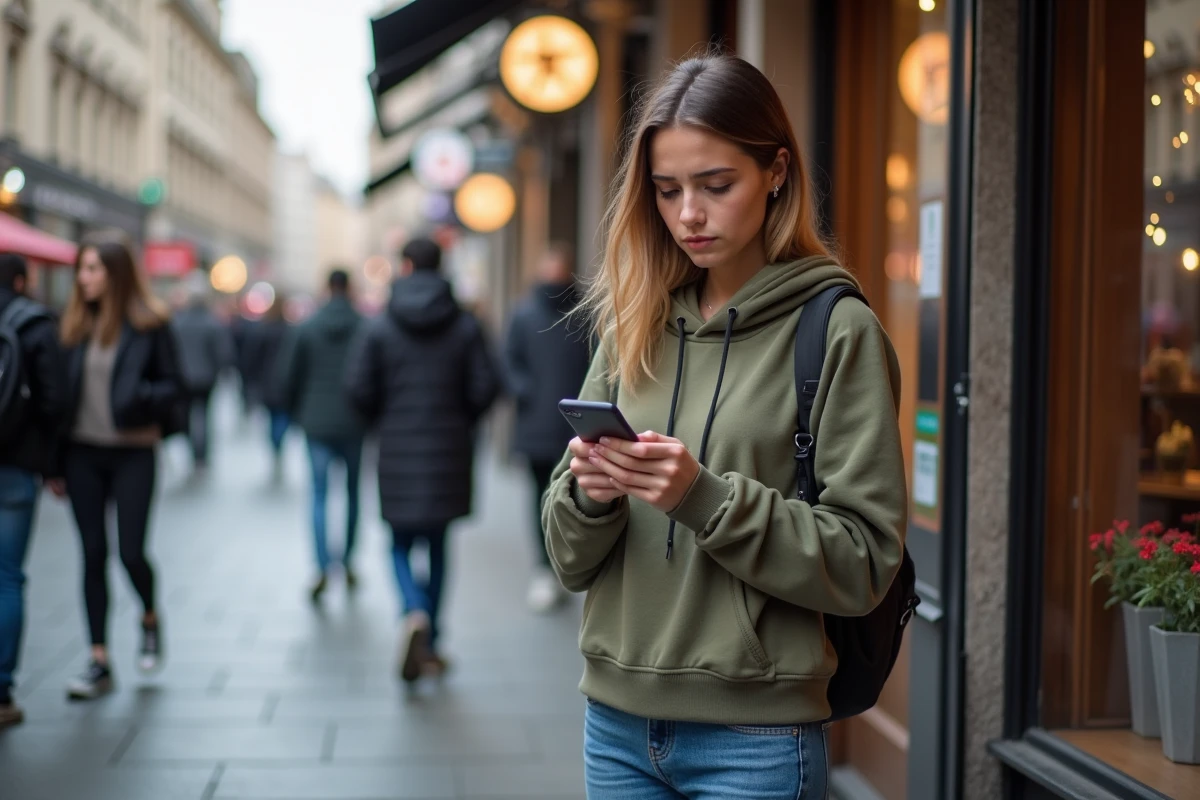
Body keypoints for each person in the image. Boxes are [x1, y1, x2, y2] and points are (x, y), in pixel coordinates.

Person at [541, 54, 907, 798]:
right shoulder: (633, 323)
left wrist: (702, 498)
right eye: (667, 190)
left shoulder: (836, 330)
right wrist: (590, 495)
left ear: (776, 172)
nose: (688, 215)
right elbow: (567, 560)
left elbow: (865, 561)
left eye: (715, 185)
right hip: (614, 726)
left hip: (756, 739)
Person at [345, 237, 501, 683]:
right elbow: (486, 386)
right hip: (449, 449)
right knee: (438, 544)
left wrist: (383, 420)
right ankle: (431, 639)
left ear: (407, 266)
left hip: (397, 448)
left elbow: (357, 388)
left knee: (398, 542)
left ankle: (413, 610)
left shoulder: (381, 325)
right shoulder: (464, 325)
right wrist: (461, 420)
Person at [58, 231, 185, 700]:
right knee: (93, 553)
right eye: (81, 269)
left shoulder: (150, 324)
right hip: (82, 453)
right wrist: (51, 463)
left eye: (92, 269)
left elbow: (174, 386)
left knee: (131, 552)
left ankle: (149, 616)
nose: (83, 278)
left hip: (134, 451)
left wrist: (140, 398)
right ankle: (99, 660)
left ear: (116, 274)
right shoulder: (73, 326)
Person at [504, 244, 590, 613]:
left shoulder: (585, 314)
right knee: (540, 498)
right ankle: (545, 567)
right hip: (538, 424)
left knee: (579, 498)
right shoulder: (524, 315)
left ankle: (566, 566)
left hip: (577, 427)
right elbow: (509, 362)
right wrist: (526, 392)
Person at [0, 254, 67, 727]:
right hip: (16, 465)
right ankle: (1, 692)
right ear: (22, 282)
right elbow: (55, 401)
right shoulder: (36, 325)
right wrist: (51, 464)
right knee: (7, 577)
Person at [276, 269, 365, 601]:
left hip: (316, 423)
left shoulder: (307, 326)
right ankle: (348, 560)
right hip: (354, 422)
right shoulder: (365, 326)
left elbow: (288, 376)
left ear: (327, 288)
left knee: (318, 495)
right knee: (353, 493)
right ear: (349, 287)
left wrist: (297, 414)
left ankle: (322, 565)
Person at [171, 278, 235, 471]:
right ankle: (201, 455)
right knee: (203, 416)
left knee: (188, 415)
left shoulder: (178, 322)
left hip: (184, 378)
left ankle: (193, 450)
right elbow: (224, 353)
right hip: (206, 377)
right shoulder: (212, 323)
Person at [241, 295, 291, 479]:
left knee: (272, 419)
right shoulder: (289, 330)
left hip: (267, 382)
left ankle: (275, 449)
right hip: (284, 382)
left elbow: (252, 358)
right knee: (281, 418)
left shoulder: (263, 330)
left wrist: (250, 380)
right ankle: (278, 447)